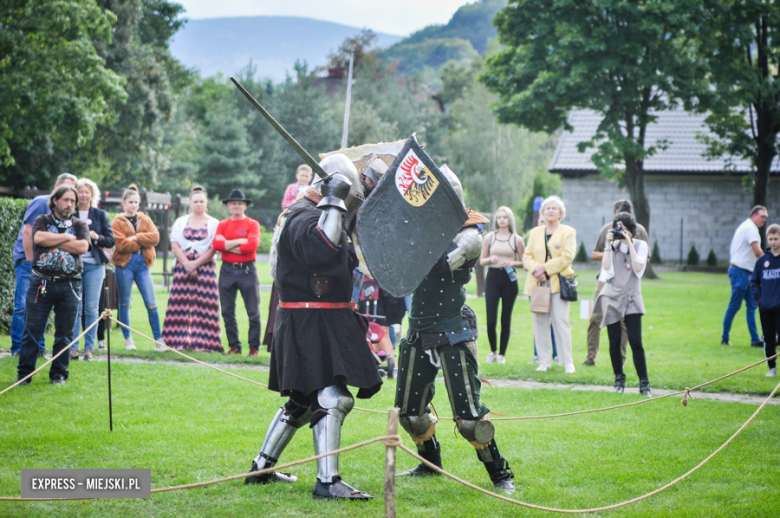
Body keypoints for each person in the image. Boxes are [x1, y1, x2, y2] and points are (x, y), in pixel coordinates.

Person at [244, 155, 381, 499]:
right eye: (345, 198)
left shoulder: (312, 216)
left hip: (318, 320)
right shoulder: (303, 217)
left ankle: (262, 466)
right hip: (311, 322)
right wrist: (335, 199)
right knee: (333, 398)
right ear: (330, 189)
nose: (348, 205)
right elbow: (322, 248)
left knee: (303, 400)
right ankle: (327, 480)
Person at [394, 167, 515, 495]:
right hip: (418, 329)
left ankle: (500, 474)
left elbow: (438, 262)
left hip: (451, 331)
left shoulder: (470, 235)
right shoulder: (416, 229)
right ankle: (430, 463)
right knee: (409, 415)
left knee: (470, 421)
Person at [15, 185, 90, 385]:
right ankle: (24, 375)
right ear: (55, 200)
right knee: (32, 331)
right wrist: (66, 237)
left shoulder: (80, 224)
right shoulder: (43, 220)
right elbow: (38, 237)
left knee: (64, 334)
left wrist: (53, 241)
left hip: (70, 285)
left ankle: (58, 375)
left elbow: (83, 246)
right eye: (66, 200)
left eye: (73, 201)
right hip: (41, 283)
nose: (70, 204)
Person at [10, 173, 77, 358]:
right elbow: (27, 232)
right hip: (28, 260)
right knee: (23, 305)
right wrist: (33, 263)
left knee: (40, 305)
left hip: (47, 264)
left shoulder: (66, 210)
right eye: (64, 186)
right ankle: (17, 349)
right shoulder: (41, 202)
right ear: (56, 186)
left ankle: (38, 349)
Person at [584, 199, 649, 366]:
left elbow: (645, 258)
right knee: (595, 318)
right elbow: (594, 254)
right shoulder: (607, 229)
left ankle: (621, 359)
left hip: (627, 282)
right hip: (605, 279)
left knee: (624, 324)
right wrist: (611, 248)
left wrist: (628, 247)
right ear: (614, 215)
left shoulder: (639, 230)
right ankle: (590, 358)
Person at [593, 212, 651, 395]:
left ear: (632, 230)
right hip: (612, 297)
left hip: (632, 298)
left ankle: (644, 383)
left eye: (625, 229)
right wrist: (610, 246)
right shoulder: (613, 246)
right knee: (614, 341)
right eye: (618, 229)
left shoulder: (641, 245)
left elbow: (639, 269)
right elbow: (607, 269)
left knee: (635, 341)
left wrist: (629, 244)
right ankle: (619, 379)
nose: (621, 232)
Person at [162, 185, 222, 352]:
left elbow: (214, 248)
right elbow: (174, 245)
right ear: (190, 203)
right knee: (178, 304)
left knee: (205, 306)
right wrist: (187, 264)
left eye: (201, 202)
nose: (198, 204)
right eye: (195, 201)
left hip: (206, 266)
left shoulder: (214, 223)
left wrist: (196, 264)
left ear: (206, 203)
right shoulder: (181, 222)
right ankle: (175, 341)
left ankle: (206, 343)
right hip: (183, 266)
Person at [523, 195, 577, 373]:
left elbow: (567, 256)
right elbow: (526, 256)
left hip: (559, 283)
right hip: (538, 283)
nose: (551, 210)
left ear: (561, 213)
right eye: (547, 208)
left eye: (554, 208)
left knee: (561, 321)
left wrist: (545, 269)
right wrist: (536, 269)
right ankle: (544, 361)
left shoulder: (568, 231)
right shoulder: (535, 232)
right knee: (540, 322)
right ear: (543, 213)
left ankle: (567, 361)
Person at [112, 184, 163, 351]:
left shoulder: (144, 218)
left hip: (143, 264)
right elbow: (121, 245)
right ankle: (128, 340)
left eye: (136, 202)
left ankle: (159, 340)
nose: (134, 205)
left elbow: (155, 238)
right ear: (124, 203)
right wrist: (141, 241)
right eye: (131, 202)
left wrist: (136, 236)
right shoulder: (117, 221)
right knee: (125, 303)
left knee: (151, 303)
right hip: (124, 265)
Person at [212, 189, 262, 357]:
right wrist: (241, 241)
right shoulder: (222, 224)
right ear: (228, 206)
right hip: (226, 270)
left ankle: (253, 348)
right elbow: (216, 246)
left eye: (240, 203)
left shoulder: (252, 224)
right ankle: (235, 346)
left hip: (247, 269)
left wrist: (227, 243)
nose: (236, 206)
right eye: (233, 203)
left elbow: (252, 247)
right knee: (227, 311)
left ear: (245, 206)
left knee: (253, 311)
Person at [69, 178, 114, 361]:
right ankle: (73, 348)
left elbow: (111, 240)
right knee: (74, 307)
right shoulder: (69, 213)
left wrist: (97, 236)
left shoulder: (100, 214)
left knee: (92, 309)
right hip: (73, 265)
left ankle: (89, 349)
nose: (84, 194)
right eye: (81, 191)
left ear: (92, 194)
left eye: (87, 191)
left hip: (95, 266)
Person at [480, 206, 524, 364]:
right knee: (491, 319)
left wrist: (511, 262)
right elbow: (481, 260)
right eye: (499, 217)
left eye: (505, 217)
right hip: (493, 277)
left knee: (505, 319)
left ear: (509, 219)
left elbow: (523, 262)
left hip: (509, 279)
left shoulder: (516, 239)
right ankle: (493, 352)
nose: (502, 220)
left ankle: (502, 355)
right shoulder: (489, 238)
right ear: (496, 220)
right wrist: (490, 260)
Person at [722, 206, 768, 347]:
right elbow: (758, 252)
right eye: (762, 216)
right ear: (754, 215)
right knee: (734, 306)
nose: (764, 220)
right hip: (740, 272)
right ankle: (725, 338)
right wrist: (771, 262)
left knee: (752, 306)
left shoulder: (747, 226)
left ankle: (755, 340)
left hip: (746, 272)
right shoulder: (750, 228)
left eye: (766, 217)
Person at [750, 223, 780, 378]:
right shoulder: (762, 261)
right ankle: (772, 367)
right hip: (766, 307)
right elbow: (754, 282)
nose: (773, 242)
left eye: (776, 239)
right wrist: (760, 299)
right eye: (771, 239)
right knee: (768, 339)